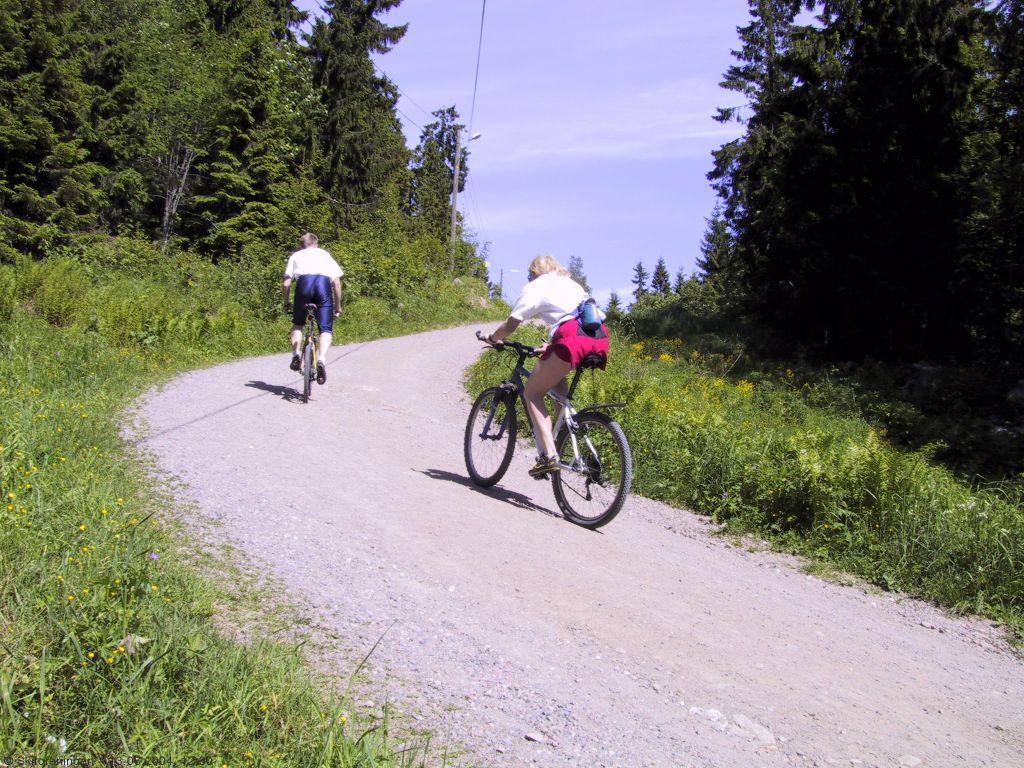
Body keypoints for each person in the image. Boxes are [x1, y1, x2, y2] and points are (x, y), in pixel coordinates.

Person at [484, 254, 609, 478]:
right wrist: (552, 347)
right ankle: (559, 440)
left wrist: (493, 337)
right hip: (597, 339)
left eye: (529, 274)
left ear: (533, 273)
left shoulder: (537, 286)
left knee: (532, 392)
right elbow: (575, 317)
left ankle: (550, 455)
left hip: (571, 339)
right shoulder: (572, 284)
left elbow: (512, 322)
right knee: (558, 388)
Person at [282, 233, 343, 383]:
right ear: (316, 243)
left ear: (302, 245)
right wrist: (338, 306)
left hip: (303, 286)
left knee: (298, 323)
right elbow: (336, 283)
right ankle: (321, 359)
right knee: (326, 329)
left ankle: (296, 355)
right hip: (323, 286)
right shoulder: (325, 255)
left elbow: (286, 284)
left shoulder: (296, 255)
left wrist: (286, 302)